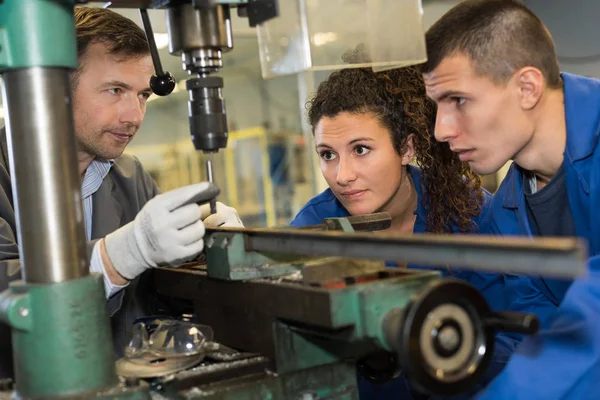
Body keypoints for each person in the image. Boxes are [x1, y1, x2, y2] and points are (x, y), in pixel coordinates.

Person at [0, 7, 241, 379]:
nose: (134, 115)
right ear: (55, 87)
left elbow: (153, 299)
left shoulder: (131, 177)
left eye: (143, 94)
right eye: (115, 90)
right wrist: (120, 255)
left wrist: (199, 249)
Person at [290, 64, 515, 399]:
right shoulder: (313, 230)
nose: (342, 175)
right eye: (328, 155)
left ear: (406, 149)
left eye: (361, 149)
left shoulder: (470, 215)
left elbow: (511, 335)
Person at [421, 1, 600, 398]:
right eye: (437, 106)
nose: (440, 130)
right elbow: (538, 331)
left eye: (459, 101)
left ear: (527, 88)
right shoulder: (506, 210)